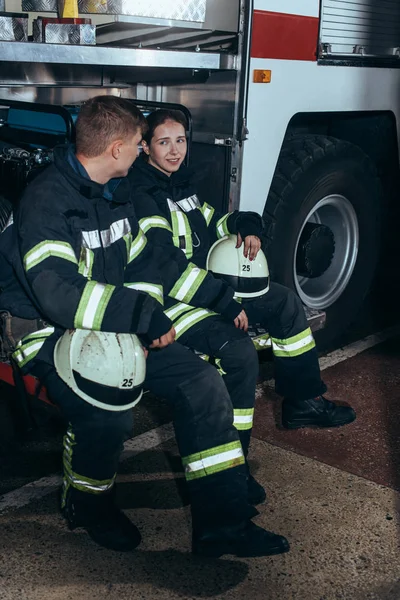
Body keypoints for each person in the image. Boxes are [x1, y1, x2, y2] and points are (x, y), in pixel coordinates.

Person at [7, 96, 289, 558]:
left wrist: (220, 298)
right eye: (141, 144)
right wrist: (138, 317)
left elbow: (151, 259)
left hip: (109, 325)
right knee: (108, 413)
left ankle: (224, 524)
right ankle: (87, 506)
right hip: (47, 330)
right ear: (116, 149)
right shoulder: (46, 201)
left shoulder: (110, 194)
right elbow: (55, 291)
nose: (144, 152)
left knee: (202, 381)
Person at [129, 109, 357, 430]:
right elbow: (167, 269)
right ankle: (232, 451)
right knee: (239, 352)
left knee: (285, 303)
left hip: (206, 291)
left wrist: (246, 225)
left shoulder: (178, 187)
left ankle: (303, 401)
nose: (175, 150)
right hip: (174, 304)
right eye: (164, 142)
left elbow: (214, 222)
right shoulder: (143, 197)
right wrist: (224, 300)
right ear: (146, 147)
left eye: (180, 140)